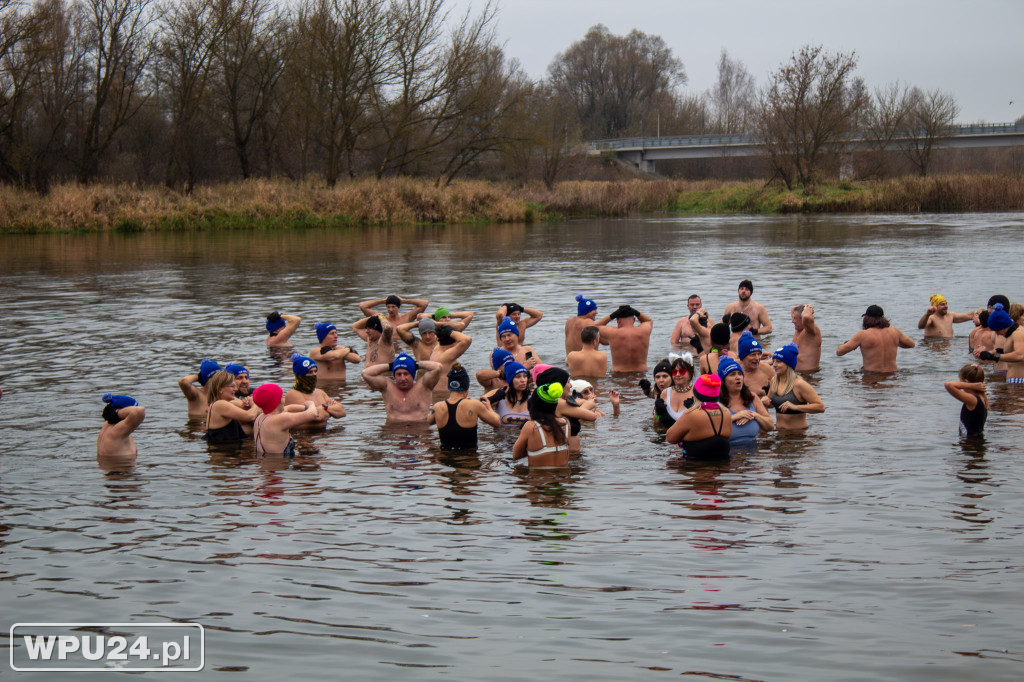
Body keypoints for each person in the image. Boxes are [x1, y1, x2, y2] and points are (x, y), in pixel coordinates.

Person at [429, 363, 500, 448]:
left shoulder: (437, 407)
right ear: (466, 388)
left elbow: (428, 422)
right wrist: (489, 407)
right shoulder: (473, 404)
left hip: (445, 459)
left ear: (449, 387)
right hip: (470, 459)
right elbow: (497, 423)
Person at [361, 352, 444, 423]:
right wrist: (391, 365)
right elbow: (366, 373)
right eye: (399, 374)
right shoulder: (387, 387)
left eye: (406, 374)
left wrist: (415, 364)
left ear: (412, 374)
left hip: (419, 434)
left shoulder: (424, 386)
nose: (402, 378)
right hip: (394, 435)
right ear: (394, 375)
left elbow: (438, 367)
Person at [666, 374, 732, 460]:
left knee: (670, 465)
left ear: (696, 395)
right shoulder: (726, 413)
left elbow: (670, 438)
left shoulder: (691, 415)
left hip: (695, 467)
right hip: (722, 467)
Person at [836, 305, 915, 372]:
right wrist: (894, 342)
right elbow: (911, 344)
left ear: (866, 318)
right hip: (892, 376)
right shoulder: (895, 331)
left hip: (872, 376)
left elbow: (839, 352)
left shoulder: (862, 335)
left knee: (847, 377)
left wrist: (850, 344)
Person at [766, 343, 826, 429]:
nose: (774, 365)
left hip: (797, 436)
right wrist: (765, 401)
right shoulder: (774, 380)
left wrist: (795, 407)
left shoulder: (799, 384)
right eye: (774, 361)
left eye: (778, 362)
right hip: (779, 433)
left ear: (788, 364)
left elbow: (820, 407)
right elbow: (771, 405)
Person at [512, 383, 571, 469]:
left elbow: (516, 455)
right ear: (554, 405)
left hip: (538, 480)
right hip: (563, 479)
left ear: (534, 405)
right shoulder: (565, 423)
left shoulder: (530, 426)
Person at [252, 383, 319, 456]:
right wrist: (311, 404)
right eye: (281, 397)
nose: (284, 399)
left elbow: (287, 408)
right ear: (277, 402)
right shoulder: (280, 419)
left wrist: (305, 407)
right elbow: (312, 414)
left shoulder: (260, 418)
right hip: (279, 465)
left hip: (264, 463)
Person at [717, 357, 774, 444]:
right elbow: (708, 428)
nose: (738, 377)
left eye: (740, 374)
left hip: (752, 455)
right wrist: (734, 417)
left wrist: (753, 415)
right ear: (723, 381)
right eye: (732, 374)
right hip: (728, 452)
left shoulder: (752, 397)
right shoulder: (716, 401)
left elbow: (770, 426)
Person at [283, 354, 346, 427]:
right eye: (310, 372)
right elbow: (317, 417)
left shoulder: (320, 392)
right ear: (300, 375)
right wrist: (331, 410)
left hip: (323, 434)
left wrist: (324, 407)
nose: (314, 375)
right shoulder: (293, 394)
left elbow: (342, 412)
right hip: (305, 436)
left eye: (315, 371)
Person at [204, 370, 259, 442]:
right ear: (220, 389)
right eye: (232, 386)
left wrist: (248, 402)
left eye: (235, 386)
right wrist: (256, 403)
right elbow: (250, 416)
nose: (235, 389)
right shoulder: (220, 404)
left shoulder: (220, 404)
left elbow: (241, 405)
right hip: (224, 452)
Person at [595, 304, 653, 372]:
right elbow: (648, 321)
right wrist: (637, 313)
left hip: (619, 374)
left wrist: (612, 315)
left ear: (618, 321)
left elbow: (595, 327)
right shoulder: (644, 331)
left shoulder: (612, 333)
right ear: (634, 320)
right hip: (641, 373)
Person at [975, 304, 1024, 382]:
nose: (997, 334)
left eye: (997, 330)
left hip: (1020, 381)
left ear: (1003, 326)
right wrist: (988, 354)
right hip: (1014, 380)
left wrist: (995, 356)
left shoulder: (1018, 334)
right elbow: (1010, 352)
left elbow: (1020, 355)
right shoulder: (1011, 334)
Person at [97, 393, 146, 459]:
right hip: (121, 468)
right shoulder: (116, 432)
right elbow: (139, 411)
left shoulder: (107, 426)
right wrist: (117, 412)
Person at [944, 364, 988, 437]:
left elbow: (948, 385)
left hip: (970, 442)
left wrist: (971, 385)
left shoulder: (973, 400)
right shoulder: (983, 396)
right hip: (977, 440)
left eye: (960, 381)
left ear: (966, 382)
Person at [484, 361, 532, 427]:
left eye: (525, 376)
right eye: (518, 377)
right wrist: (495, 398)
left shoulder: (533, 396)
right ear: (510, 380)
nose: (523, 380)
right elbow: (479, 404)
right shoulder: (499, 393)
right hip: (502, 436)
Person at [655, 352, 696, 428]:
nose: (677, 374)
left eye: (682, 371)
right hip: (666, 438)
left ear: (690, 372)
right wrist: (658, 412)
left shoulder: (697, 394)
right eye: (674, 372)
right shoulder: (665, 393)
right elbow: (656, 425)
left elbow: (704, 425)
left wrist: (695, 412)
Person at [737, 332, 774, 397]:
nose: (757, 358)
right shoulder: (734, 372)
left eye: (759, 354)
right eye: (753, 355)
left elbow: (778, 398)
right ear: (743, 357)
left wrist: (768, 398)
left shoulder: (767, 369)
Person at [358, 294, 429, 327]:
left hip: (403, 347)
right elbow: (363, 306)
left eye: (393, 307)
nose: (390, 310)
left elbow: (424, 303)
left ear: (398, 307)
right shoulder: (381, 319)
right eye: (388, 307)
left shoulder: (407, 318)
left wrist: (403, 301)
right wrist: (383, 301)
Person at [640, 359, 674, 426]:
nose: (661, 380)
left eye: (665, 376)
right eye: (658, 377)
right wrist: (646, 389)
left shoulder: (678, 393)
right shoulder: (657, 391)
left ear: (672, 377)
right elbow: (650, 393)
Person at [790, 304, 822, 371]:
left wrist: (808, 309)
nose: (792, 321)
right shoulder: (798, 330)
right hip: (796, 374)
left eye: (795, 318)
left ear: (802, 319)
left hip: (809, 376)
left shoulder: (812, 331)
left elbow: (806, 317)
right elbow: (793, 309)